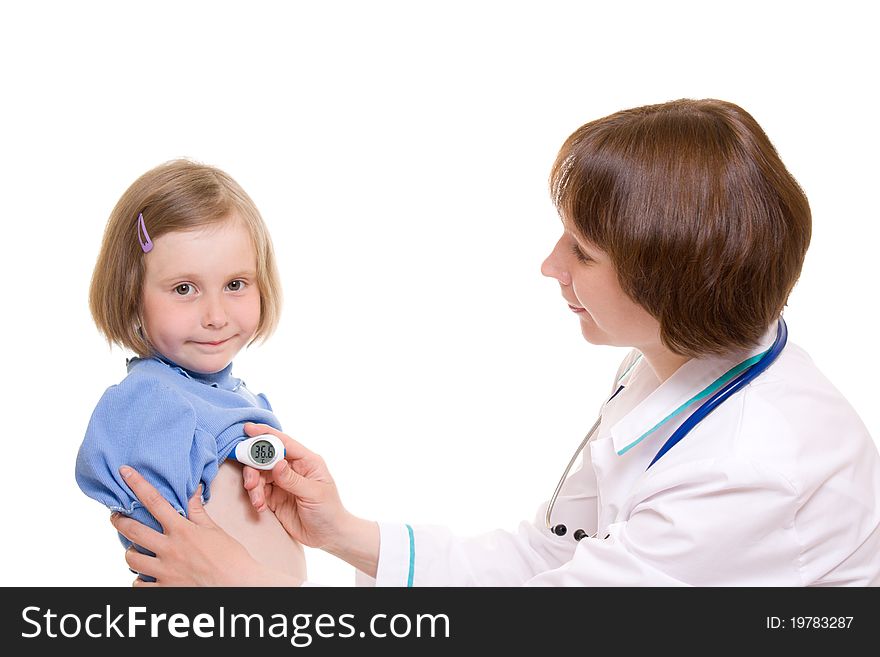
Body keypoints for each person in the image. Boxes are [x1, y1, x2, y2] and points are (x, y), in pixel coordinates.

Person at [111, 99, 880, 586]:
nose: (550, 264)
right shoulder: (675, 363)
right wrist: (343, 534)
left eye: (581, 250)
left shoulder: (754, 469)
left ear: (666, 280)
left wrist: (257, 599)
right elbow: (558, 555)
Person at [76, 159, 306, 582]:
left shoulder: (231, 396)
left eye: (235, 285)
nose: (216, 316)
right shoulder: (151, 400)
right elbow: (163, 540)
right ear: (132, 297)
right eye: (184, 289)